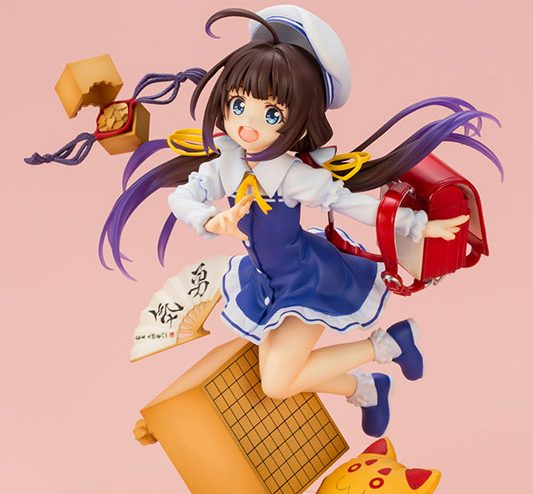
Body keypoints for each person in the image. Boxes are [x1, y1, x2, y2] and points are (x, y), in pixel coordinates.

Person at [100, 6, 501, 437]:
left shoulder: (290, 175)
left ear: (299, 118)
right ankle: (367, 388)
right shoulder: (227, 162)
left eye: (272, 114)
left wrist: (416, 225)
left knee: (275, 382)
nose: (248, 124)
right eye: (238, 104)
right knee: (279, 373)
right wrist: (208, 219)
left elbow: (349, 203)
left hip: (307, 281)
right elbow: (182, 195)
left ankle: (388, 345)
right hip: (266, 282)